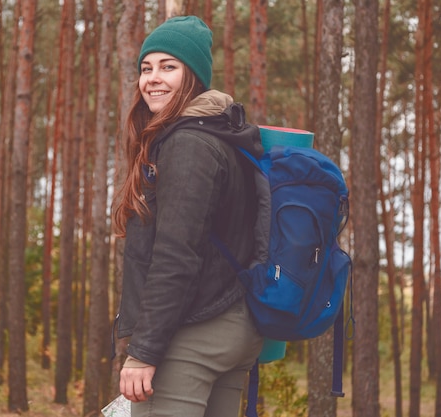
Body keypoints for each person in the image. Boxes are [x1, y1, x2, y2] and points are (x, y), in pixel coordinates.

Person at [112, 15, 265, 417]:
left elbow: (176, 256)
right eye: (147, 68)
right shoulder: (225, 135)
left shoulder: (189, 144)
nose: (153, 78)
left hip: (195, 330)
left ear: (193, 75)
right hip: (236, 327)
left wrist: (143, 351)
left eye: (169, 66)